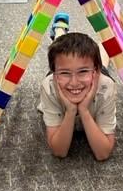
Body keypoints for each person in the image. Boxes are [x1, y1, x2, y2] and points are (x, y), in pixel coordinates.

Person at [38, 13, 117, 161]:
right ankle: (60, 29)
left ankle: (107, 36)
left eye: (82, 71)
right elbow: (59, 151)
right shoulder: (50, 86)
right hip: (63, 81)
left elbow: (103, 153)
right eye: (64, 73)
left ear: (95, 72)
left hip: (94, 81)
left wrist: (84, 111)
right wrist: (71, 111)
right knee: (59, 50)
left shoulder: (106, 87)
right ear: (55, 75)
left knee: (103, 56)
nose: (74, 82)